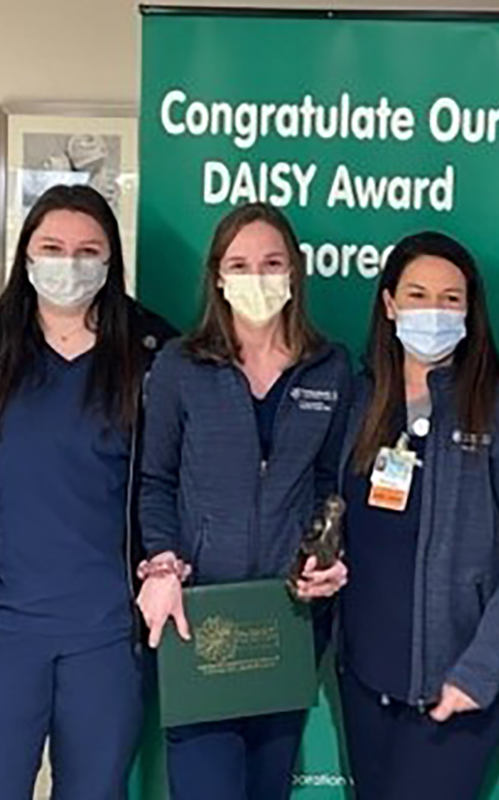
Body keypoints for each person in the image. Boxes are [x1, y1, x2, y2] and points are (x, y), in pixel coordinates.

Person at [0, 184, 176, 798]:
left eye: (87, 249)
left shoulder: (153, 353)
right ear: (26, 256)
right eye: (52, 247)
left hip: (106, 632)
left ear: (110, 260)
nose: (69, 264)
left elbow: (173, 478)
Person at [337, 232, 499, 799]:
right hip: (368, 679)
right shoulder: (362, 399)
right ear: (389, 305)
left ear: (470, 312)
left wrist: (479, 671)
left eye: (450, 299)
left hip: (460, 685)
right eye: (416, 295)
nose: (433, 312)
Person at [137, 202, 351, 800]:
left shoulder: (330, 368)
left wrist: (328, 560)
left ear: (295, 272)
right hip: (199, 617)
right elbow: (154, 481)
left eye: (272, 262)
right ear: (218, 276)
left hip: (286, 619)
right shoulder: (181, 365)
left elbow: (335, 484)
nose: (257, 276)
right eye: (240, 263)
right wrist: (162, 560)